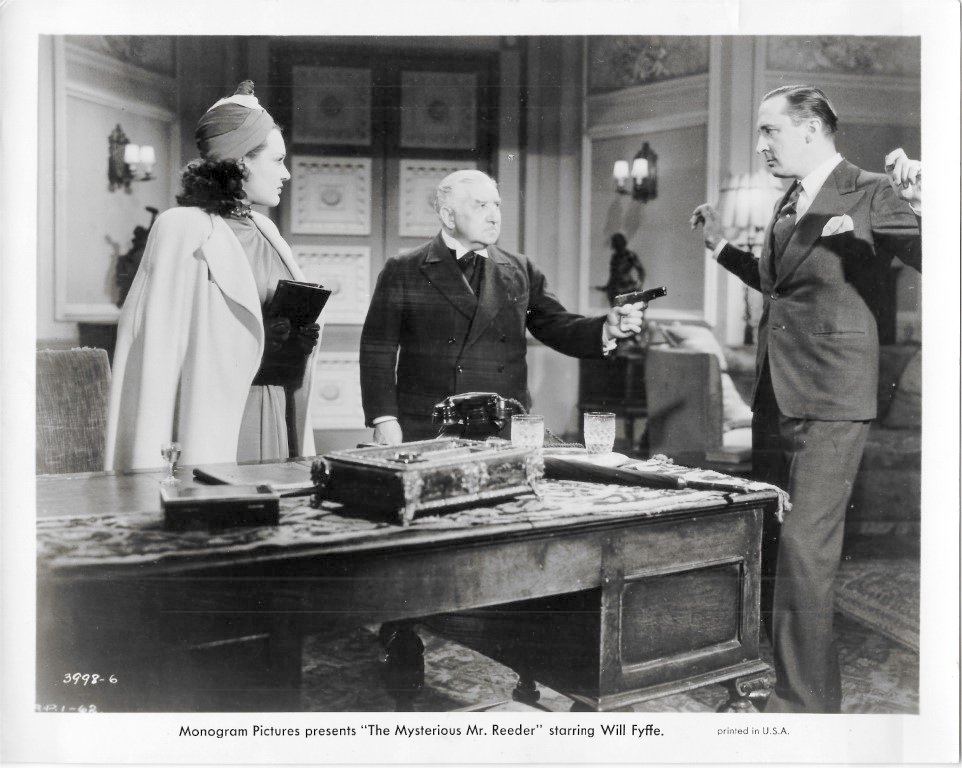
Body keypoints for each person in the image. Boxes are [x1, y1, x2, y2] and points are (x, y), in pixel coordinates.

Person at [690, 84, 921, 713]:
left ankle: (806, 709)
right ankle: (784, 679)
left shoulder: (872, 189)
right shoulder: (789, 199)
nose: (760, 145)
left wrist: (926, 203)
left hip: (833, 399)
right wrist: (719, 247)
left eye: (770, 131)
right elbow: (780, 284)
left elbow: (935, 255)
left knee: (804, 550)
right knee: (774, 540)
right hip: (776, 395)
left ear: (812, 128)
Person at [105, 81, 321, 471]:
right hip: (216, 419)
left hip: (275, 404)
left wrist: (296, 340)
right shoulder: (183, 227)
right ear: (241, 162)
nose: (287, 173)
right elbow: (158, 351)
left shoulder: (266, 230)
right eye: (277, 161)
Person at [360, 169, 646, 444]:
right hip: (431, 425)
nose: (494, 215)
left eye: (496, 205)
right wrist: (384, 419)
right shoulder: (404, 269)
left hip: (504, 425)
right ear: (448, 216)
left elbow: (556, 325)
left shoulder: (520, 268)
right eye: (481, 205)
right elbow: (377, 350)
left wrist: (605, 330)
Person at [598, 232, 646, 307]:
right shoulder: (614, 257)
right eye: (615, 245)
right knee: (616, 309)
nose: (617, 247)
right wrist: (608, 287)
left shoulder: (630, 255)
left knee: (631, 309)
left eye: (618, 244)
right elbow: (613, 274)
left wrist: (639, 284)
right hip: (616, 289)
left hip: (628, 287)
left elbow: (641, 271)